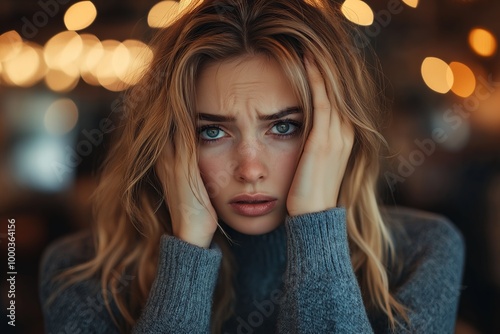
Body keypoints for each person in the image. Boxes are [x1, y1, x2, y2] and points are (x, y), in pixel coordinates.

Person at [39, 0, 465, 333]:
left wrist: (316, 223)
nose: (250, 169)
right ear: (168, 143)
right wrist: (186, 250)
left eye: (283, 126)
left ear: (336, 134)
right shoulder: (80, 272)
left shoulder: (421, 253)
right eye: (212, 132)